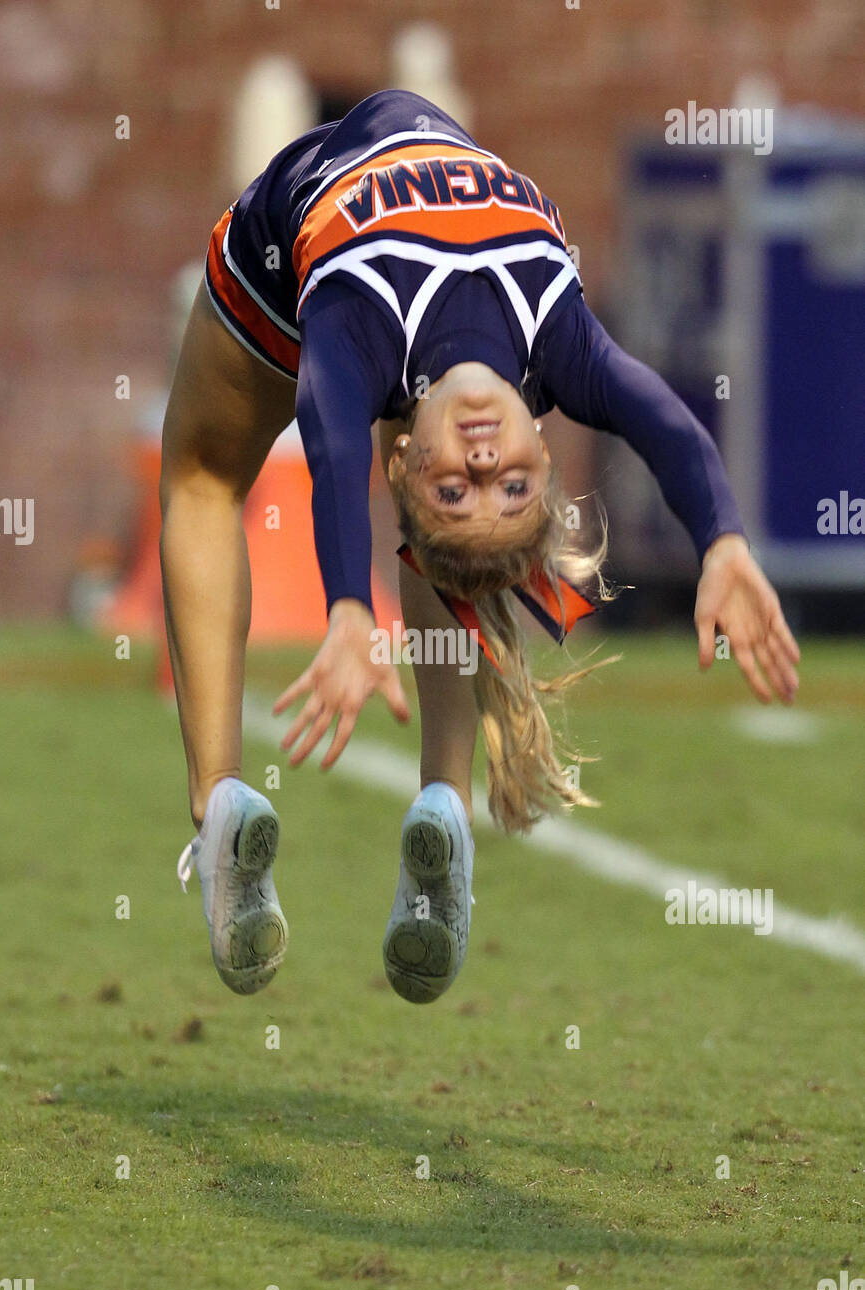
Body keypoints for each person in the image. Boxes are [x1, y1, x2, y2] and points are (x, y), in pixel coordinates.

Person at [162, 90, 800, 1004]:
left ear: (405, 467)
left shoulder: (357, 329)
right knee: (437, 532)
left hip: (287, 241)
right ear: (547, 441)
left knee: (202, 476)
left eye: (456, 485)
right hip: (419, 188)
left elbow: (333, 437)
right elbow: (664, 419)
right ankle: (445, 806)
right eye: (512, 486)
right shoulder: (560, 348)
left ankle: (218, 801)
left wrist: (350, 609)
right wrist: (726, 542)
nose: (485, 456)